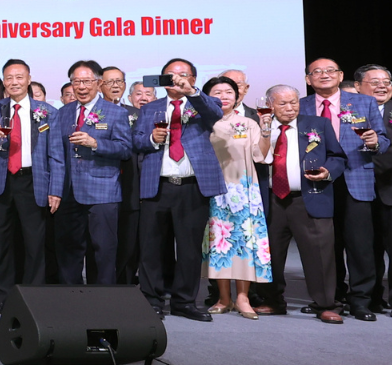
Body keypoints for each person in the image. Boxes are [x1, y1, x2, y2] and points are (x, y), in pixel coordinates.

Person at [133, 58, 225, 322]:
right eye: (170, 76)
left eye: (182, 75)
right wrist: (152, 139)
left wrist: (192, 93)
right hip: (157, 185)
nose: (175, 80)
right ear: (161, 81)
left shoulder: (203, 103)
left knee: (189, 248)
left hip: (192, 187)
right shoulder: (150, 109)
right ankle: (152, 300)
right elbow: (137, 140)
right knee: (151, 247)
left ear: (193, 79)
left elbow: (215, 115)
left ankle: (184, 301)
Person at [300, 58, 387, 321]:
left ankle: (360, 300)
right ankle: (330, 298)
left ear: (340, 76)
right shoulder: (301, 106)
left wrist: (373, 142)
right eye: (317, 72)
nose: (323, 75)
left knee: (360, 245)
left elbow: (382, 141)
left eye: (330, 71)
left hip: (355, 181)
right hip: (318, 181)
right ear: (308, 79)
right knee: (325, 245)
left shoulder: (363, 102)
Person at [254, 85, 347, 323]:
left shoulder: (317, 124)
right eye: (283, 103)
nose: (290, 107)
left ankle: (327, 304)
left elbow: (337, 157)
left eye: (294, 102)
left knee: (320, 253)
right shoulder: (261, 128)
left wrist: (327, 172)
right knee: (270, 253)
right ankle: (272, 300)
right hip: (272, 199)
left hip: (311, 197)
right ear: (271, 105)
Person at [0, 60, 59, 313]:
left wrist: (55, 189)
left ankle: (34, 298)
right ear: (4, 82)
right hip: (1, 182)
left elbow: (56, 155)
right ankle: (1, 297)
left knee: (34, 243)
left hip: (33, 181)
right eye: (9, 78)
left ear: (29, 79)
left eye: (19, 77)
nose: (14, 82)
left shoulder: (46, 111)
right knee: (0, 243)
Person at [50, 61, 132, 286]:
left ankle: (104, 301)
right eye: (76, 82)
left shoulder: (115, 112)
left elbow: (125, 149)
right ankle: (70, 299)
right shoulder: (63, 113)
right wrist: (56, 189)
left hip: (103, 192)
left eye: (86, 81)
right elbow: (57, 154)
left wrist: (95, 143)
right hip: (69, 193)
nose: (81, 86)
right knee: (69, 250)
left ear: (98, 83)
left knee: (104, 250)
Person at [198, 76, 271, 319]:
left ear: (237, 95)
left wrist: (266, 129)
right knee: (219, 244)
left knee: (245, 243)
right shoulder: (200, 123)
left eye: (229, 91)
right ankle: (223, 297)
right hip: (213, 191)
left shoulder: (247, 123)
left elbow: (260, 156)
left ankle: (242, 297)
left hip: (244, 190)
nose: (224, 96)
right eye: (217, 92)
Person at [355, 64, 392, 315]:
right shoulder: (347, 111)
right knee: (364, 249)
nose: (383, 85)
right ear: (358, 86)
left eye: (387, 81)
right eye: (375, 81)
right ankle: (367, 299)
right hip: (359, 188)